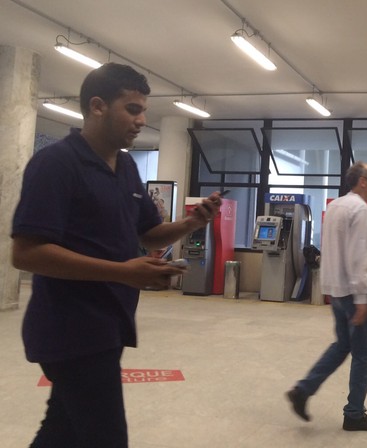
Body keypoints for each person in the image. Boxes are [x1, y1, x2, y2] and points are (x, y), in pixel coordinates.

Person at [11, 62, 223, 448]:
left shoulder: (124, 166)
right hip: (70, 330)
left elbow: (147, 233)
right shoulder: (56, 164)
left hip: (109, 324)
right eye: (133, 109)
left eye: (144, 110)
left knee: (62, 431)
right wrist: (122, 272)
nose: (142, 119)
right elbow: (27, 253)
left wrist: (193, 223)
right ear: (97, 106)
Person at [286, 161, 367, 431]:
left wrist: (331, 288)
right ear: (362, 181)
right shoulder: (360, 209)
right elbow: (359, 256)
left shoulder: (335, 206)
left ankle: (303, 389)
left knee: (343, 345)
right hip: (355, 293)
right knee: (363, 355)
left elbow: (332, 250)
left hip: (337, 290)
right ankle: (354, 414)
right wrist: (363, 299)